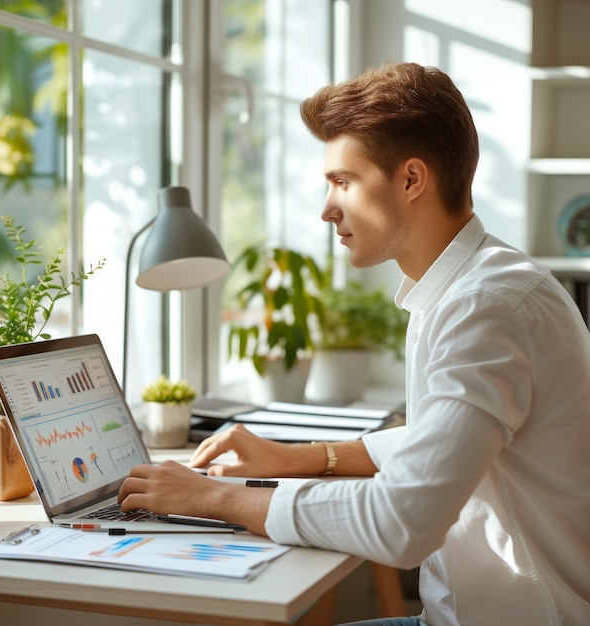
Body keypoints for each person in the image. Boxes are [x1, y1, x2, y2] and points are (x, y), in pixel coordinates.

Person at [119, 62, 590, 626]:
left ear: (412, 179)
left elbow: (404, 522)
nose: (326, 208)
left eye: (343, 181)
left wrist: (211, 499)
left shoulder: (484, 305)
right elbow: (441, 438)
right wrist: (305, 457)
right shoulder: (468, 284)